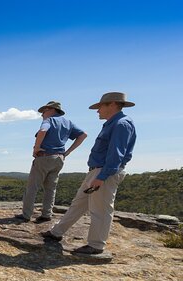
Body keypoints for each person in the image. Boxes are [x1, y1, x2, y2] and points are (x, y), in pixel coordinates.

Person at [42, 92, 137, 255]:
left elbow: (116, 154)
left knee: (100, 210)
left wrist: (101, 177)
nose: (97, 110)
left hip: (104, 172)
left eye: (100, 106)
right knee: (78, 203)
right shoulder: (113, 123)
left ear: (112, 104)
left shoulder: (121, 123)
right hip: (97, 171)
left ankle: (96, 245)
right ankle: (56, 232)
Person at [15, 101, 87, 223]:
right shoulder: (68, 122)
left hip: (45, 156)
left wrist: (36, 148)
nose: (42, 114)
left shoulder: (49, 120)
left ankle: (26, 215)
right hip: (59, 158)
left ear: (50, 109)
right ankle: (47, 214)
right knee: (50, 188)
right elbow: (83, 135)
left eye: (43, 111)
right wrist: (68, 152)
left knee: (32, 187)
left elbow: (43, 131)